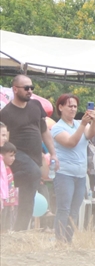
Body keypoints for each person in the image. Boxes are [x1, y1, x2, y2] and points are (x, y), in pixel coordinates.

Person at [0, 75, 56, 231]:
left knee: (28, 196)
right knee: (33, 173)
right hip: (18, 155)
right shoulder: (6, 113)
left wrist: (53, 153)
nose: (30, 91)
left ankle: (20, 231)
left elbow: (44, 131)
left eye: (32, 88)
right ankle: (7, 184)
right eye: (26, 88)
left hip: (35, 156)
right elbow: (5, 140)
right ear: (15, 89)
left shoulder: (36, 105)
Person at [50, 94, 95, 243]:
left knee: (75, 209)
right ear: (61, 107)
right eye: (69, 106)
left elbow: (91, 134)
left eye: (75, 106)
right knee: (64, 208)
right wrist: (82, 125)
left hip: (80, 174)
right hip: (64, 173)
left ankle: (68, 239)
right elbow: (71, 142)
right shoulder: (57, 127)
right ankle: (60, 240)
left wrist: (94, 121)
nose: (73, 109)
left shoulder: (78, 123)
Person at [1, 137, 16, 233]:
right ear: (2, 155)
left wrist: (13, 201)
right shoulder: (2, 169)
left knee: (8, 221)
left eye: (14, 155)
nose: (13, 158)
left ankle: (6, 232)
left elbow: (12, 185)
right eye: (11, 155)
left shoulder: (9, 169)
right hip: (3, 200)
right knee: (2, 221)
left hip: (10, 200)